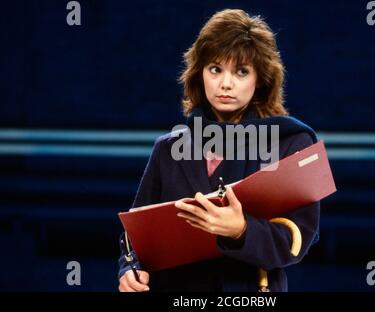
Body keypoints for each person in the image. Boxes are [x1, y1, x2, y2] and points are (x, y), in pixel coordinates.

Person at [118, 8, 320, 292]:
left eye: (241, 71)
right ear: (200, 73)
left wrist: (242, 231)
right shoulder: (169, 147)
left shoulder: (289, 143)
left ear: (260, 78)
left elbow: (299, 239)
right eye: (215, 69)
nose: (226, 83)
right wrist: (130, 270)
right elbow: (137, 235)